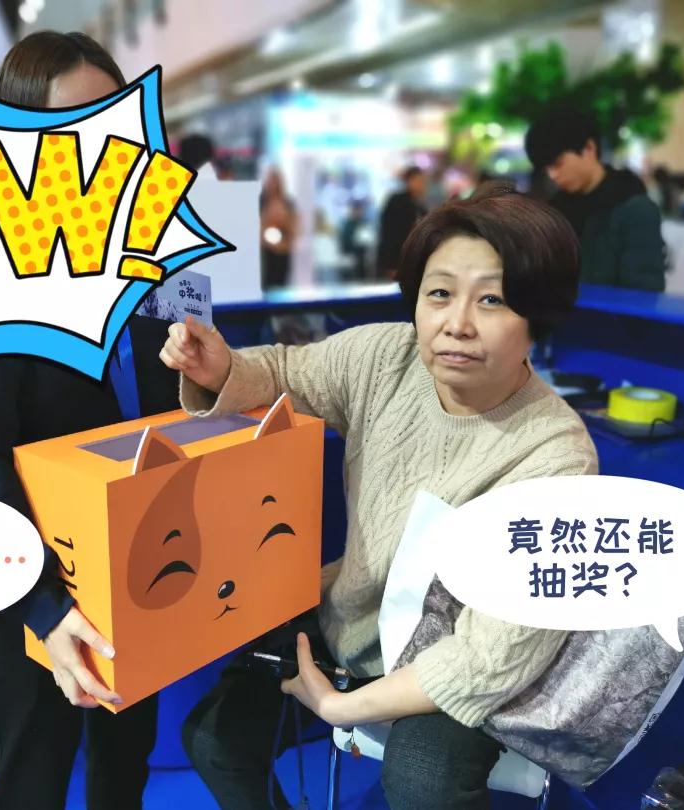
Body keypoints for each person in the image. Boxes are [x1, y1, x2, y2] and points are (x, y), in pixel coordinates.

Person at [160, 183, 598, 809]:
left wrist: (343, 707)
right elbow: (284, 372)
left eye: (493, 299)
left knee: (423, 782)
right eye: (439, 293)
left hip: (456, 653)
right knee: (214, 739)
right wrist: (220, 368)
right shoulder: (385, 358)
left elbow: (488, 657)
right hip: (352, 619)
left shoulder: (556, 455)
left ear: (538, 316)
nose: (456, 324)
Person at [0, 31, 175, 810]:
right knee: (32, 781)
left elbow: (167, 412)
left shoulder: (148, 258)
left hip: (133, 574)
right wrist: (46, 607)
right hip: (28, 593)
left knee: (124, 772)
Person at [525, 106, 666, 292]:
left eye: (558, 164)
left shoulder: (634, 209)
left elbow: (643, 292)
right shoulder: (555, 210)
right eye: (546, 169)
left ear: (589, 148)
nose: (553, 175)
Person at [376, 166, 427, 279]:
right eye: (417, 180)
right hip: (396, 259)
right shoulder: (397, 201)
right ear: (408, 181)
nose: (421, 184)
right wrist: (391, 263)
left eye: (423, 181)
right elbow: (389, 233)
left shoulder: (421, 207)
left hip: (414, 260)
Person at [259, 167, 296, 289]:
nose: (272, 184)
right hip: (264, 253)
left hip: (282, 252)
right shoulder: (261, 202)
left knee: (280, 284)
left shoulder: (288, 203)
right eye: (270, 181)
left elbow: (293, 228)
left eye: (275, 181)